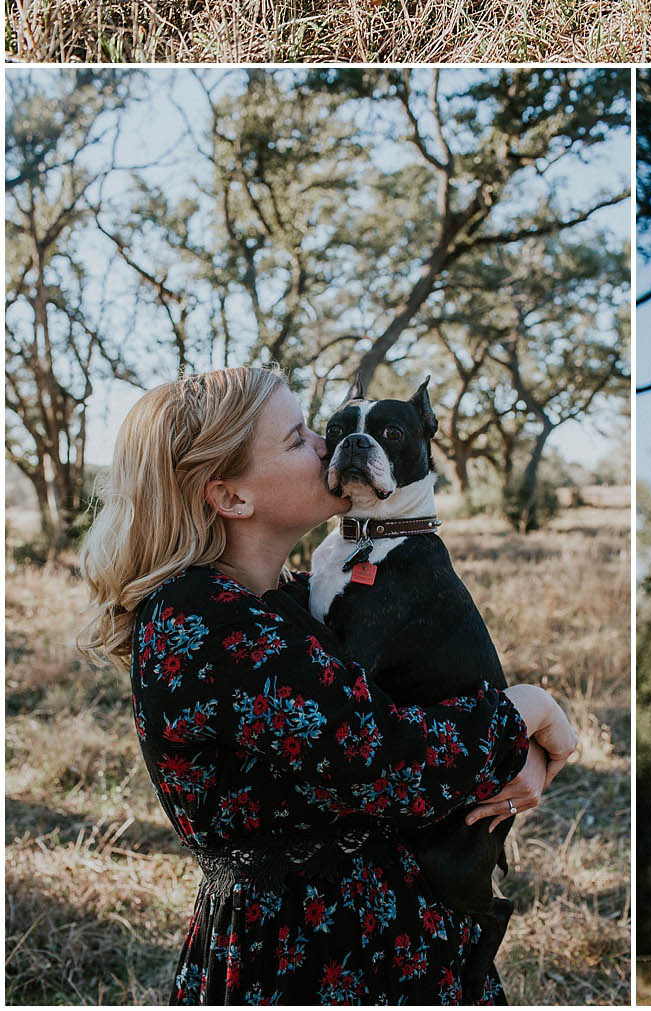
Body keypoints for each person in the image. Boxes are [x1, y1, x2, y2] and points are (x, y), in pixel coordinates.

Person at [78, 366, 580, 1004]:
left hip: (390, 934)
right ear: (231, 497)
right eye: (298, 438)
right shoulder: (203, 619)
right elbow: (378, 758)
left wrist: (512, 761)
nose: (326, 446)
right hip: (309, 957)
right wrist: (524, 712)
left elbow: (405, 716)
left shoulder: (283, 599)